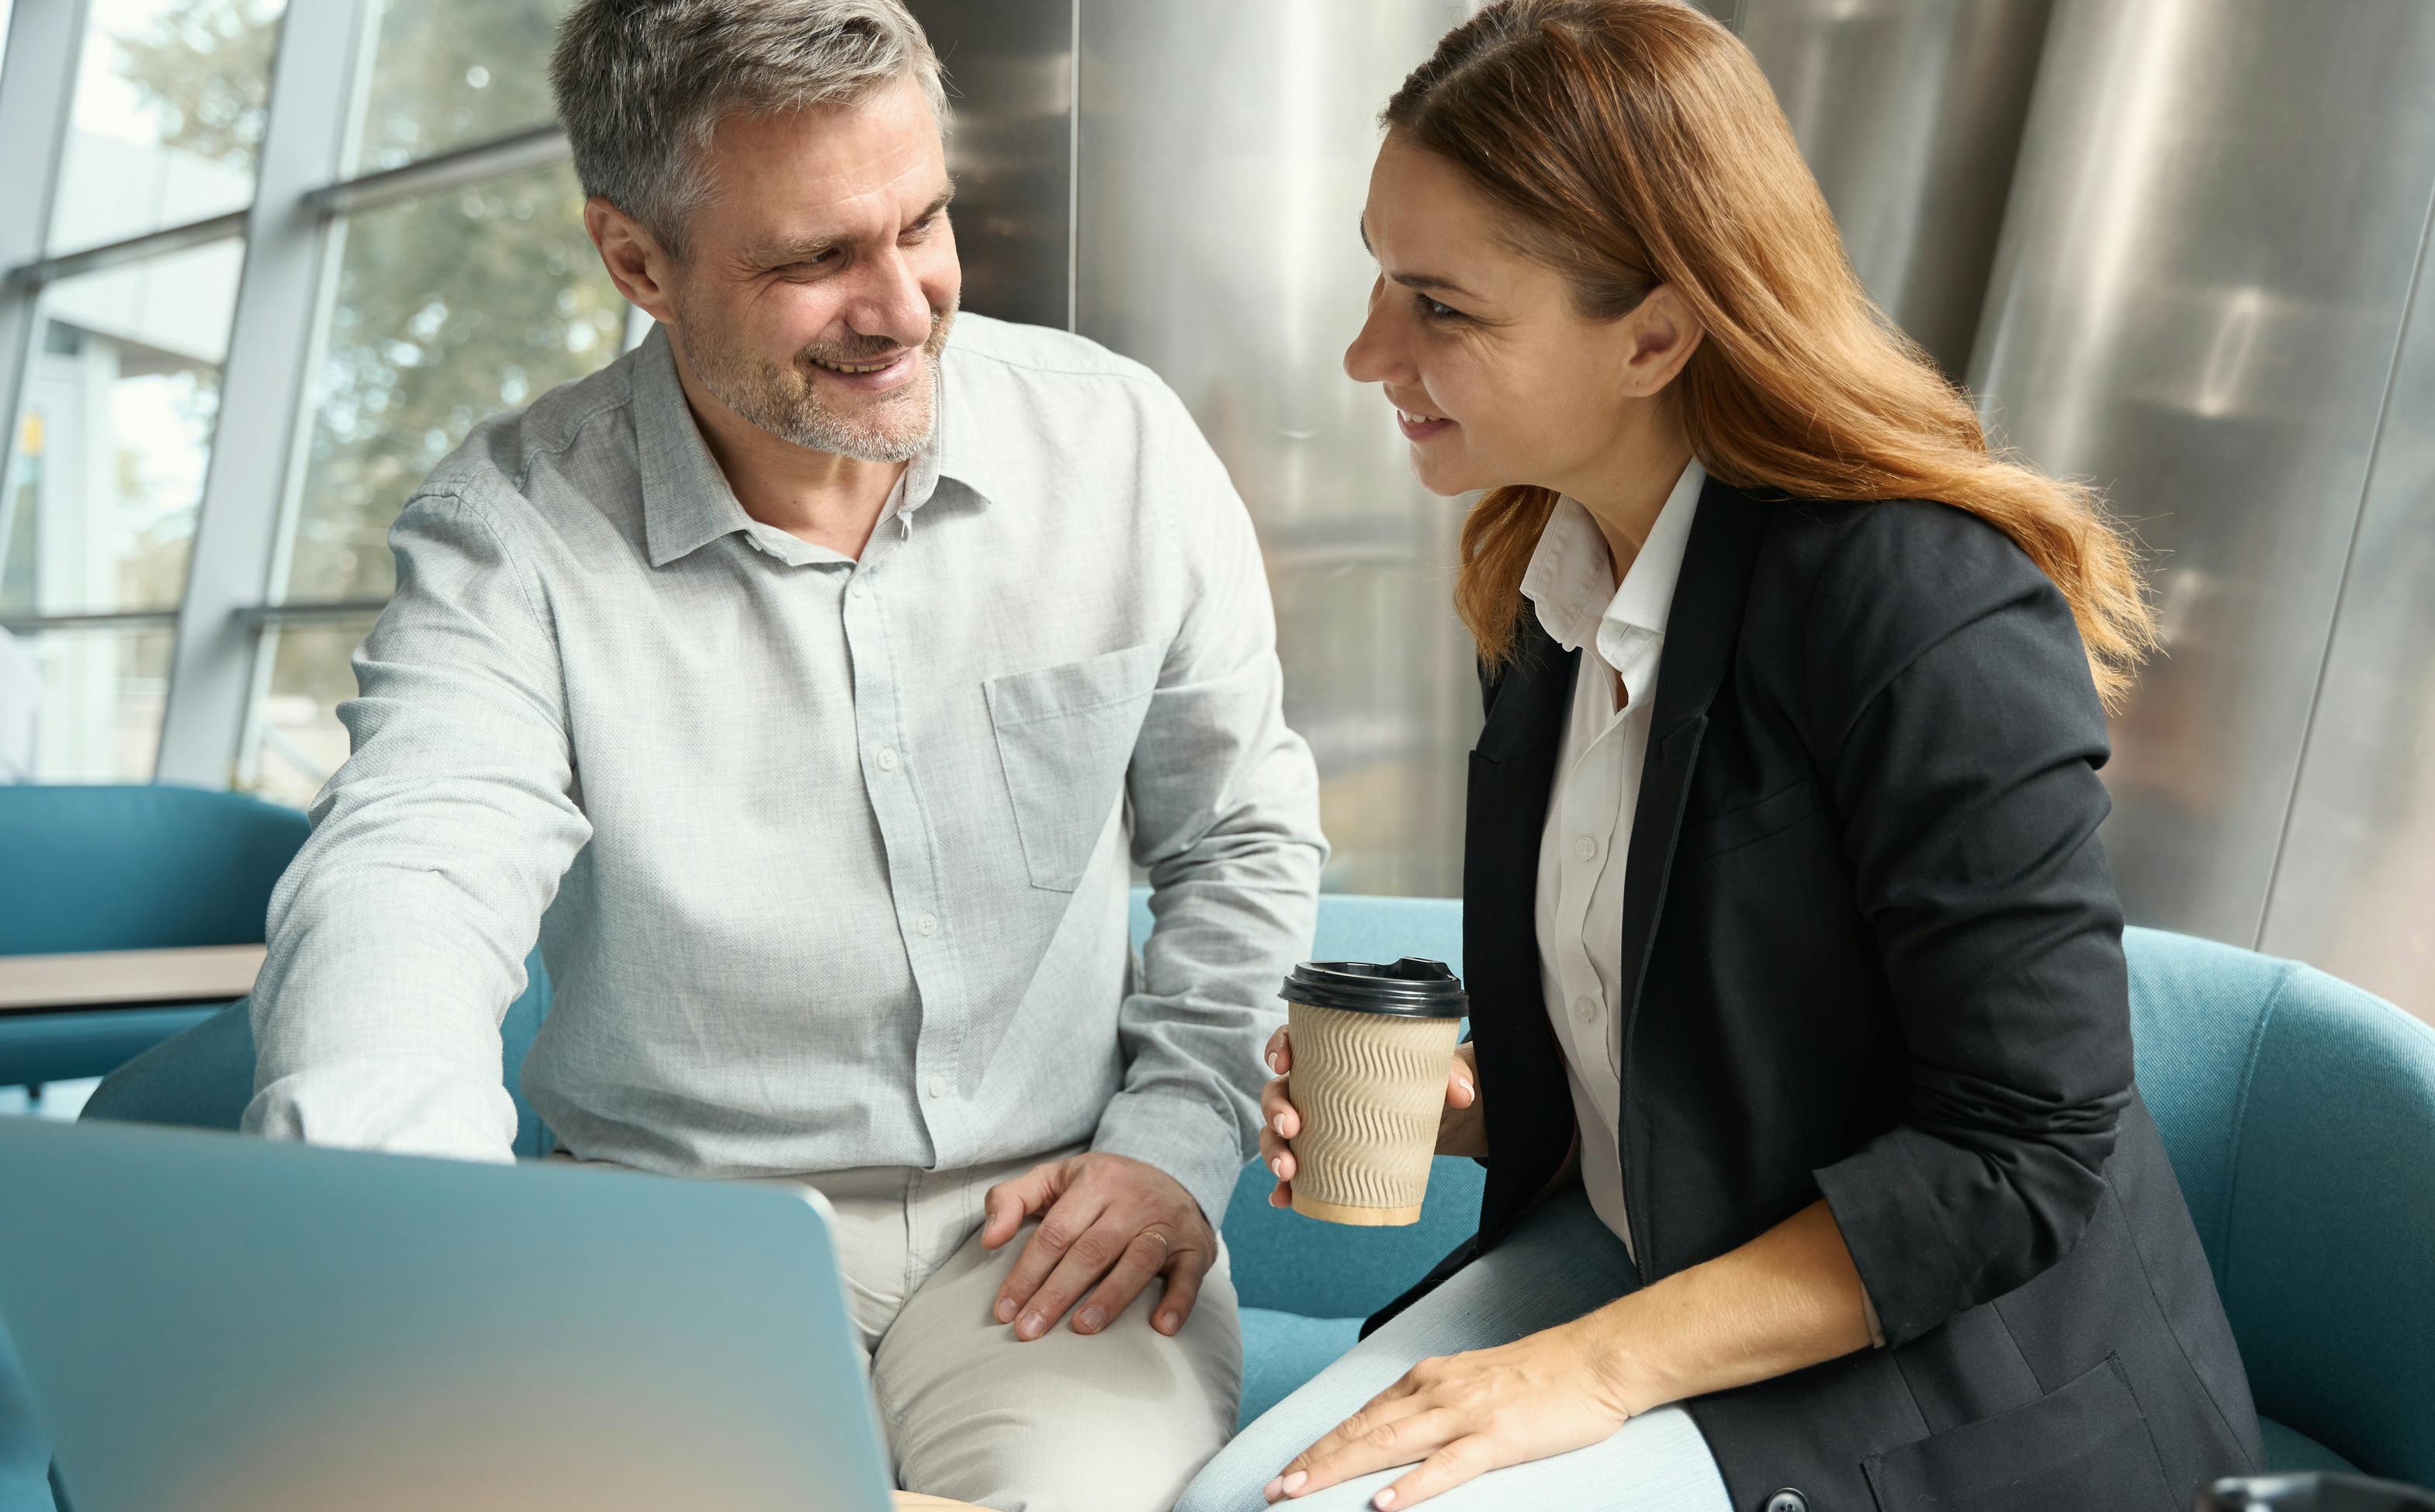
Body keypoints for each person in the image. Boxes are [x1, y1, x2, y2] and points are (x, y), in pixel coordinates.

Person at [243, 2, 1326, 1507]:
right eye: (816, 260)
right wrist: (413, 1244)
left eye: (924, 223)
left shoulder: (1116, 444)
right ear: (636, 262)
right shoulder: (513, 528)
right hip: (670, 1244)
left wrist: (1169, 1136)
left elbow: (1238, 839)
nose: (902, 307)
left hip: (1043, 1230)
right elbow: (413, 863)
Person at [1181, 2, 2259, 1509]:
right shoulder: (1552, 589)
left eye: (1441, 305)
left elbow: (2020, 1158)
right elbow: (1699, 1035)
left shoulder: (1922, 607)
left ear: (1658, 333)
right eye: (1380, 277)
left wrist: (1590, 1367)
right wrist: (1482, 1108)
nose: (1368, 352)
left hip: (1932, 1365)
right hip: (1667, 1266)